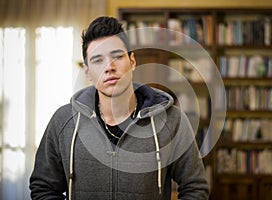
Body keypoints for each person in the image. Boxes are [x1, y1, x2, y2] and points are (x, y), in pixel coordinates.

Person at [29, 16, 210, 200]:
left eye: (117, 56)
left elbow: (195, 188)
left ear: (132, 62)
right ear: (87, 72)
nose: (109, 67)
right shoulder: (63, 122)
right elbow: (43, 188)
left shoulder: (172, 120)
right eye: (98, 60)